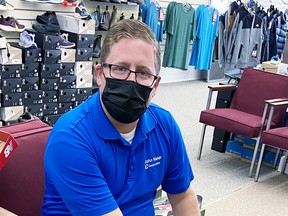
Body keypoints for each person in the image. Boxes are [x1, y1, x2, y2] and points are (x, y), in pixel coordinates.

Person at [42, 19, 200, 216]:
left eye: (143, 73)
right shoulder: (70, 138)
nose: (131, 81)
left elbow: (183, 195)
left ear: (155, 85)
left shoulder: (164, 124)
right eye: (120, 69)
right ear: (100, 74)